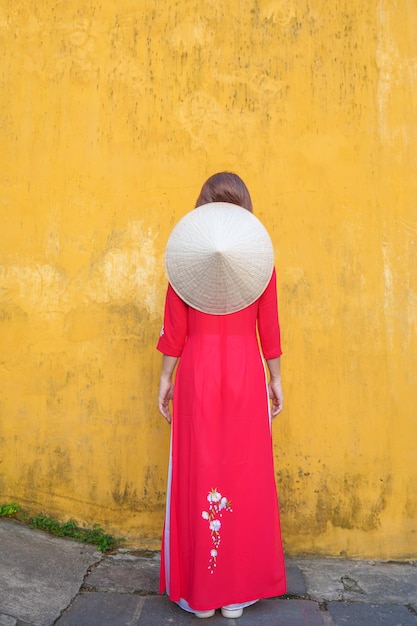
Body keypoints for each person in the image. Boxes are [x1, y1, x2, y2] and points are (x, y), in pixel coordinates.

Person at [157, 172, 286, 619]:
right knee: (243, 474)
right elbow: (268, 328)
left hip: (197, 373)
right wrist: (275, 378)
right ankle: (235, 594)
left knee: (197, 470)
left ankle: (200, 594)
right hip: (245, 374)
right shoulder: (260, 260)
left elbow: (175, 330)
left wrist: (165, 380)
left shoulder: (184, 260)